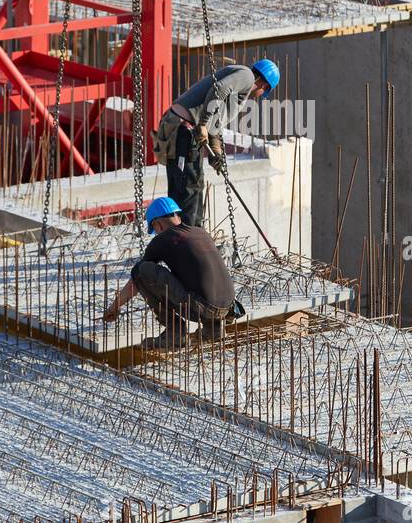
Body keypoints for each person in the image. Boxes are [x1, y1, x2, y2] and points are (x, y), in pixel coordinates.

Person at [151, 59, 280, 228]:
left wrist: (216, 153)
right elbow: (218, 89)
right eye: (264, 91)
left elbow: (216, 120)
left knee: (195, 183)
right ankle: (185, 237)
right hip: (183, 129)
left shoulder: (240, 87)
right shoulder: (247, 76)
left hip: (187, 131)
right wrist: (203, 123)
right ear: (263, 84)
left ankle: (193, 233)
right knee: (186, 186)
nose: (259, 96)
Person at [102, 197, 239, 349]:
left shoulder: (163, 240)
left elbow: (136, 280)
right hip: (227, 308)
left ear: (157, 224)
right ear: (178, 216)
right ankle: (214, 329)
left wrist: (114, 307)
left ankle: (175, 334)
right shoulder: (200, 232)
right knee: (195, 277)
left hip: (200, 307)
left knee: (142, 271)